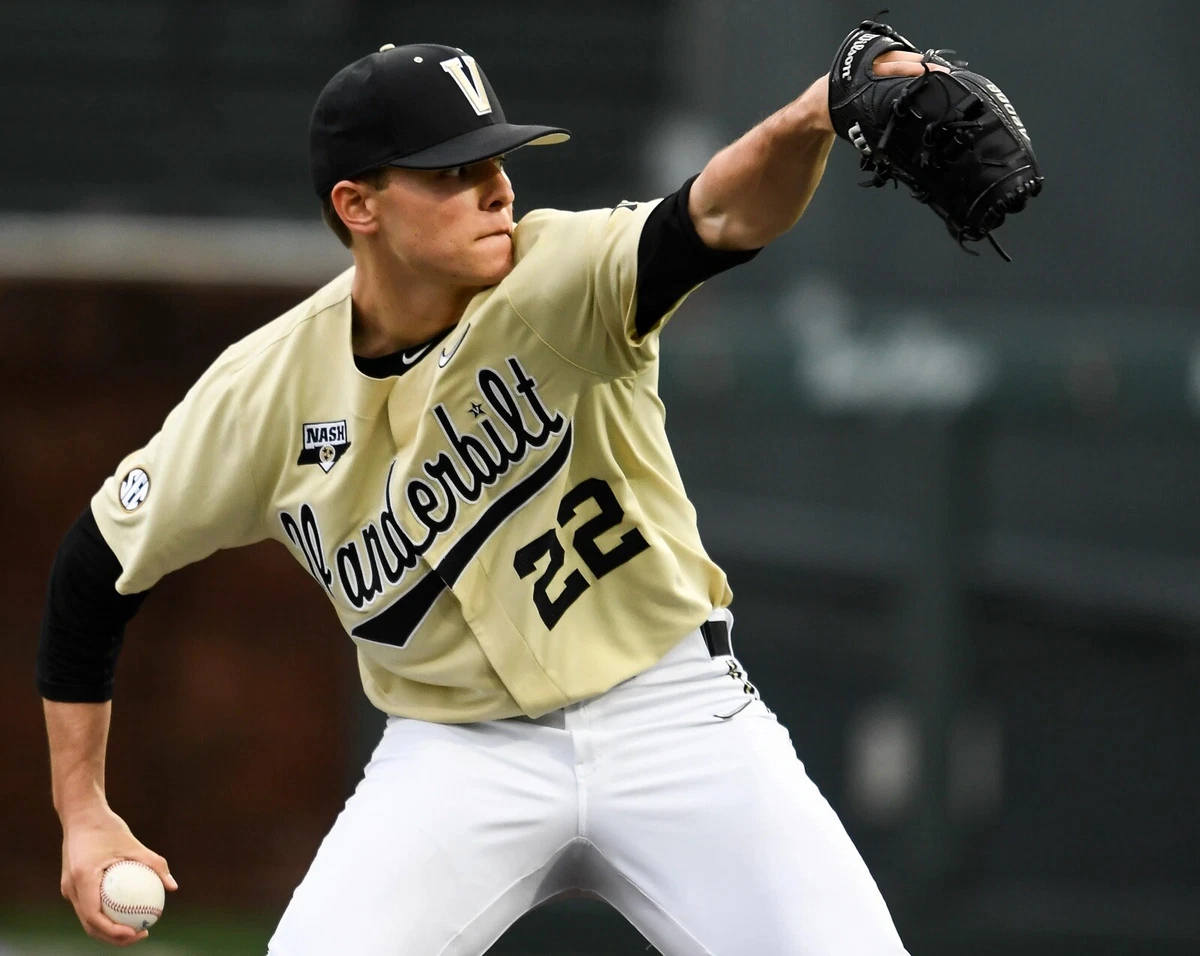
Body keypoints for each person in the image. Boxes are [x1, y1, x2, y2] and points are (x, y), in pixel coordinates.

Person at [39, 38, 939, 955]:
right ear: (359, 205)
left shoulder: (563, 271)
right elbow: (94, 569)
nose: (498, 190)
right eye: (453, 172)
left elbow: (715, 216)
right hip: (455, 752)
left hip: (672, 714)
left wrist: (808, 118)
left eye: (496, 162)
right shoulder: (263, 390)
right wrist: (83, 812)